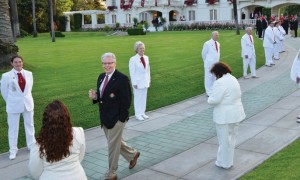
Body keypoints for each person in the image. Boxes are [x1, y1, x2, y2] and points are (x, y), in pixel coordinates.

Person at [89, 53, 140, 180]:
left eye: (110, 63)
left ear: (115, 63)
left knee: (112, 147)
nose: (107, 65)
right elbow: (102, 97)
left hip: (116, 120)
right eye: (105, 63)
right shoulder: (101, 77)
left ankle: (112, 173)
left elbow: (127, 101)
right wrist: (95, 97)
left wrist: (121, 119)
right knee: (116, 143)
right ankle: (132, 154)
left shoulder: (122, 79)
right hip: (105, 118)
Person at [28, 100, 87, 180]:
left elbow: (35, 171)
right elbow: (80, 157)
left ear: (45, 121)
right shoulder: (79, 133)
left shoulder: (39, 144)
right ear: (67, 117)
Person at [207, 62, 246, 169]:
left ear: (218, 72)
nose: (215, 76)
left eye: (215, 74)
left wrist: (209, 98)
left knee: (224, 141)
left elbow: (215, 100)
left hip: (224, 116)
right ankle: (228, 161)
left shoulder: (220, 82)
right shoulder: (233, 78)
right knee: (231, 140)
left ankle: (224, 163)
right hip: (236, 114)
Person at [0, 55, 36, 160]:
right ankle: (13, 150)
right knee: (13, 128)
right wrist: (11, 101)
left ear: (22, 62)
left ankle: (31, 145)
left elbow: (29, 89)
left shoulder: (29, 74)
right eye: (15, 62)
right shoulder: (6, 76)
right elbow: (4, 92)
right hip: (13, 105)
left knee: (30, 125)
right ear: (12, 63)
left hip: (27, 104)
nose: (18, 64)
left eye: (20, 62)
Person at [129, 41, 151, 121]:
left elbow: (148, 70)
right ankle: (138, 114)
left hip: (145, 81)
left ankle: (142, 113)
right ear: (136, 49)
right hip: (137, 83)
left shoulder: (146, 57)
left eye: (143, 48)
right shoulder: (133, 59)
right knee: (138, 98)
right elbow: (132, 72)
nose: (142, 50)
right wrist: (134, 83)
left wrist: (149, 80)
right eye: (140, 48)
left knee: (144, 98)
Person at [202, 31, 220, 96]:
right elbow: (203, 54)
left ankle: (213, 90)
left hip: (215, 64)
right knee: (208, 78)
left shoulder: (218, 43)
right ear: (212, 35)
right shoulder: (207, 43)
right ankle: (208, 92)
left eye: (217, 35)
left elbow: (217, 54)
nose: (217, 36)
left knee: (214, 77)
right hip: (208, 64)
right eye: (216, 35)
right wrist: (206, 61)